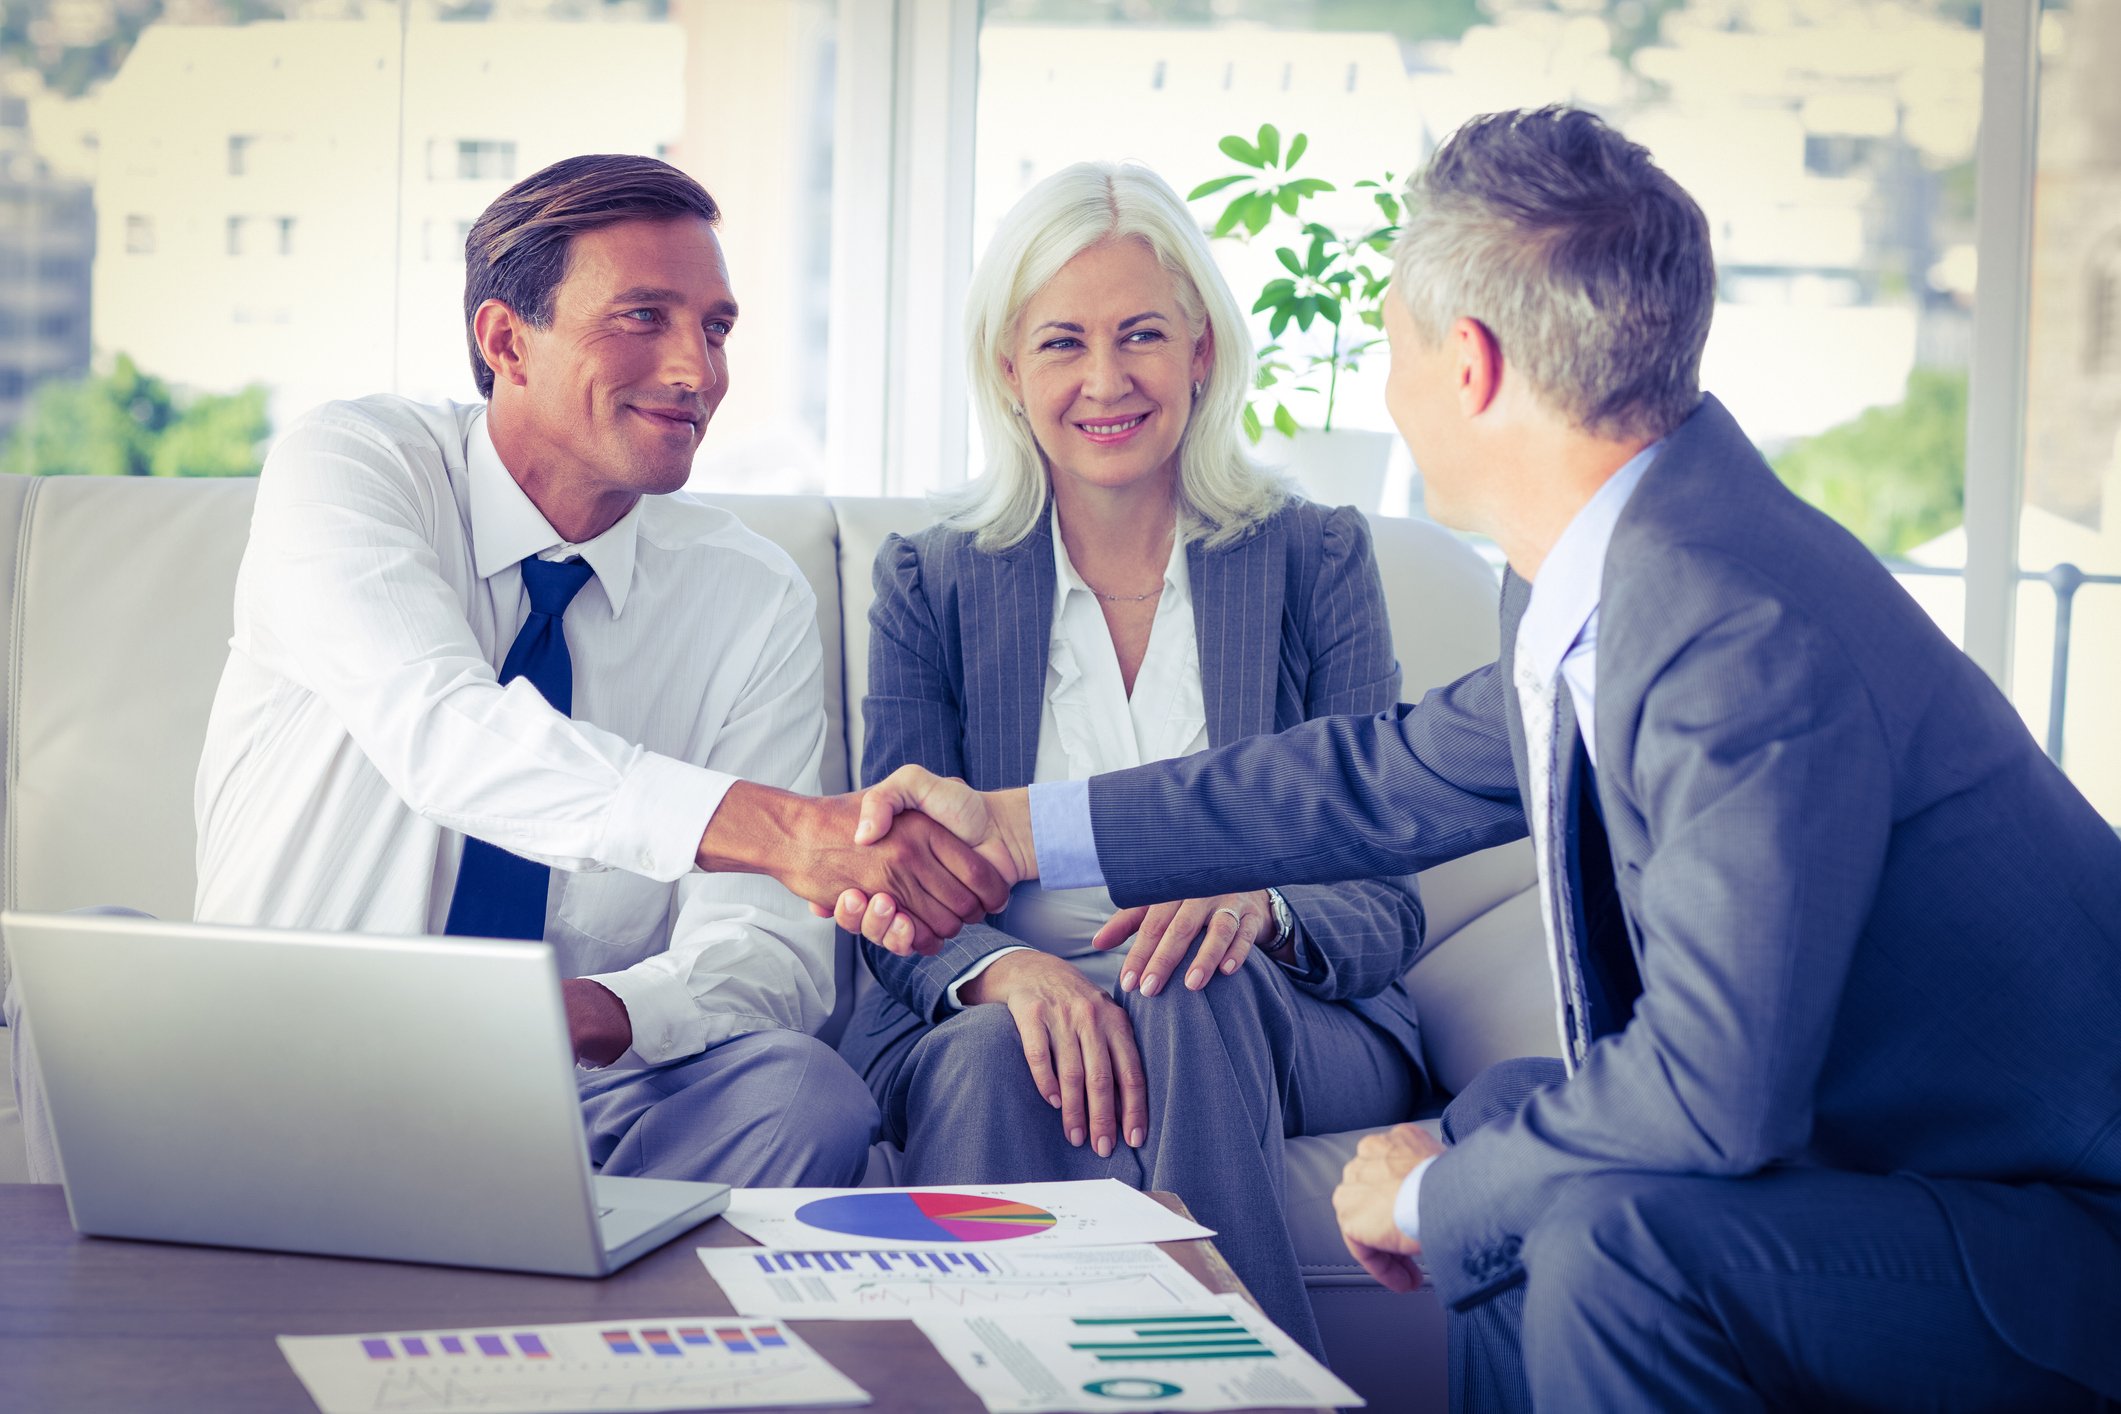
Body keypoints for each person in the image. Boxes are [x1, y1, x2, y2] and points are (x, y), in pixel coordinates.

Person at [835, 109, 2121, 1411]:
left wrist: (1438, 1187)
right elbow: (1369, 774)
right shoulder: (1628, 561)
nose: (1382, 384)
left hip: (2052, 1218)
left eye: (1390, 336)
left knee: (1592, 1230)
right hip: (1914, 1160)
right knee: (1507, 1117)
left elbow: (1711, 1097)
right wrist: (1013, 825)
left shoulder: (1734, 626)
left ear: (1469, 364)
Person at [165, 155, 1009, 1194]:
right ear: (506, 340)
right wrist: (790, 832)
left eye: (715, 326)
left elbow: (768, 952)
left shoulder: (750, 595)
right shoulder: (351, 470)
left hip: (575, 1092)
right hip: (295, 1062)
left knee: (804, 1096)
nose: (697, 369)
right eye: (642, 317)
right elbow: (446, 733)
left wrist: (595, 1012)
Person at [837, 161, 1429, 1356]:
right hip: (1008, 1003)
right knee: (999, 1055)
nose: (1105, 380)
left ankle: (1244, 1384)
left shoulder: (1315, 558)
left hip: (1282, 1007)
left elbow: (1386, 881)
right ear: (1009, 369)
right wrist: (1010, 973)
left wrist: (1261, 905)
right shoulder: (931, 580)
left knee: (1184, 982)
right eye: (1062, 342)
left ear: (1201, 349)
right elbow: (893, 888)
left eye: (1141, 335)